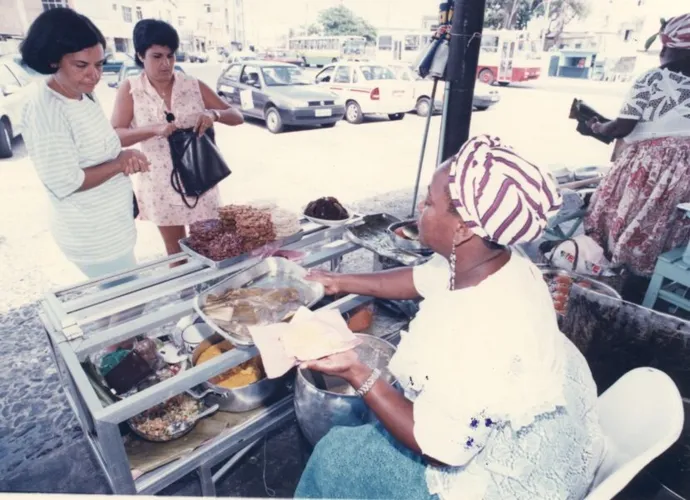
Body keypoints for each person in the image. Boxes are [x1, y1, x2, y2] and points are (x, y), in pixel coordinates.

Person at [295, 135, 605, 500]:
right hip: (546, 425)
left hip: (498, 476)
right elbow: (418, 278)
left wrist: (358, 372)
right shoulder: (494, 259)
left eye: (429, 202)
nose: (419, 209)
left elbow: (444, 448)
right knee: (376, 415)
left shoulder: (481, 330)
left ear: (464, 228)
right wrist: (338, 281)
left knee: (334, 455)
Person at [20, 8, 149, 279]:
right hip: (92, 234)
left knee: (116, 302)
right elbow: (65, 181)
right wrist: (119, 164)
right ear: (53, 60)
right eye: (81, 65)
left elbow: (102, 145)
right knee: (130, 303)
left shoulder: (83, 94)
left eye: (99, 64)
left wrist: (125, 154)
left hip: (112, 222)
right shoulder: (45, 106)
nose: (94, 75)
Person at [111, 19, 244, 256]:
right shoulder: (131, 89)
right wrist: (153, 129)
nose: (166, 64)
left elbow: (236, 116)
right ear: (141, 55)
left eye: (171, 56)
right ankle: (187, 294)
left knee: (211, 248)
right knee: (177, 253)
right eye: (157, 56)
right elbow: (116, 136)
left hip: (200, 178)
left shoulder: (192, 85)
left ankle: (211, 292)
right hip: (161, 184)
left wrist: (214, 115)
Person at [586, 13, 690, 279]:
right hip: (684, 171)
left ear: (671, 47)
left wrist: (598, 127)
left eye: (664, 45)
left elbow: (623, 127)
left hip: (650, 165)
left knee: (629, 214)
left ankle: (617, 271)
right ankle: (648, 272)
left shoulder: (652, 79)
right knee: (663, 219)